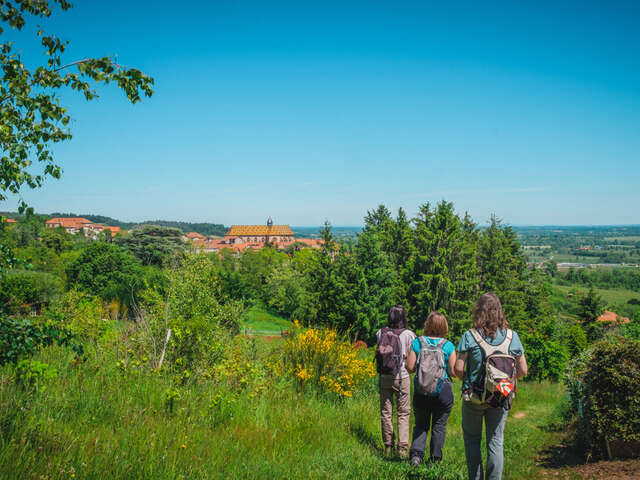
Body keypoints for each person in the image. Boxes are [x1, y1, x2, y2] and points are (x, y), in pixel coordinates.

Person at [454, 293, 528, 480]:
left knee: (472, 442)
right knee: (495, 443)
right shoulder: (513, 337)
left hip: (474, 398)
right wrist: (502, 384)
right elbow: (523, 370)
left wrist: (471, 379)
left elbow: (458, 369)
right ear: (500, 311)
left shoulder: (469, 336)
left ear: (478, 310)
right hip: (500, 398)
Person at [405, 311, 456, 466]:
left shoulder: (417, 342)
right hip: (442, 391)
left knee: (421, 424)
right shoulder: (448, 345)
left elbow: (409, 367)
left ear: (427, 325)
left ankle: (416, 457)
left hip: (421, 391)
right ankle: (435, 460)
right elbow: (453, 371)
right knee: (439, 426)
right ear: (444, 327)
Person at [376, 305, 416, 457]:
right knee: (403, 413)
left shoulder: (381, 332)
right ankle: (402, 449)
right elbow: (412, 357)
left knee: (386, 412)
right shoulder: (409, 334)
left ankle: (388, 446)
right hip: (402, 376)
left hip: (384, 376)